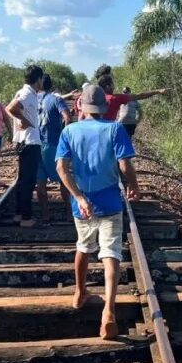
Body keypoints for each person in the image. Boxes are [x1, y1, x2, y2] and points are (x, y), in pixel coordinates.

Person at [56, 85, 139, 339]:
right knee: (111, 252)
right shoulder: (115, 128)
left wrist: (78, 196)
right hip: (110, 201)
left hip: (82, 203)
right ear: (103, 107)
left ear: (80, 106)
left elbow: (61, 167)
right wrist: (133, 185)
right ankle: (108, 312)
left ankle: (80, 293)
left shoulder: (69, 131)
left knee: (83, 246)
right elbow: (125, 164)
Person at [6, 65, 44, 228]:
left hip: (25, 141)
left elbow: (12, 108)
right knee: (28, 181)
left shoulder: (28, 92)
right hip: (29, 142)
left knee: (23, 181)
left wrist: (22, 119)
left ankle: (19, 214)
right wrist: (23, 120)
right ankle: (26, 218)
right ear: (38, 79)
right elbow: (11, 108)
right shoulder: (28, 93)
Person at [37, 73, 72, 223]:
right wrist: (64, 134)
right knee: (63, 178)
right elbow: (67, 117)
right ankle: (70, 212)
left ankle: (45, 214)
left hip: (35, 144)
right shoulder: (56, 99)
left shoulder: (32, 99)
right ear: (50, 85)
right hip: (52, 143)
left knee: (40, 181)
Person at [93, 64, 168, 121]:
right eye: (112, 79)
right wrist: (158, 91)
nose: (114, 80)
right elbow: (140, 96)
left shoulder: (92, 97)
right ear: (107, 86)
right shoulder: (115, 98)